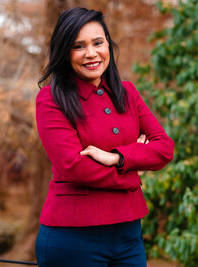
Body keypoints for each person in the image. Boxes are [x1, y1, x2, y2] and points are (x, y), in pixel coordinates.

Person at [35, 7, 174, 267]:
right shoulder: (51, 99)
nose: (91, 53)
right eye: (79, 46)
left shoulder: (128, 92)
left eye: (98, 43)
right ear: (65, 53)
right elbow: (74, 167)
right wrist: (134, 170)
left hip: (129, 235)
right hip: (73, 237)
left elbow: (164, 148)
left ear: (108, 44)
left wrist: (117, 158)